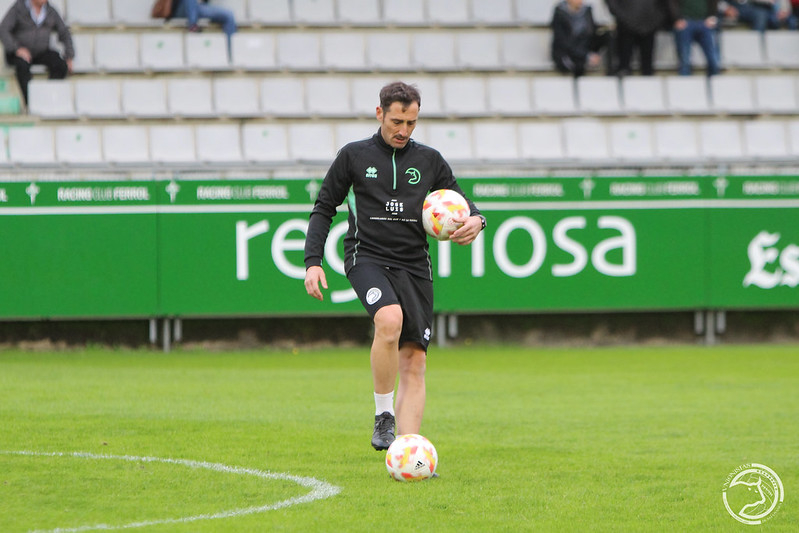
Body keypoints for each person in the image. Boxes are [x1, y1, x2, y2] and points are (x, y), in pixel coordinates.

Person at [303, 81, 486, 451]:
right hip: (367, 257)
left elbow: (466, 204)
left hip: (414, 264)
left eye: (411, 123)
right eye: (397, 122)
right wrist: (313, 262)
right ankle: (383, 414)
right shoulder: (353, 156)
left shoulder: (430, 160)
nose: (404, 130)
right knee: (389, 320)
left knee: (415, 361)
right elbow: (324, 208)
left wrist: (477, 221)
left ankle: (408, 452)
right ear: (380, 114)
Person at [0, 0, 73, 106]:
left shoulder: (50, 11)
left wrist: (69, 55)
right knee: (22, 66)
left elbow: (64, 32)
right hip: (18, 53)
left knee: (60, 65)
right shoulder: (18, 8)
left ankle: (47, 97)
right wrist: (17, 49)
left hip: (40, 52)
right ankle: (31, 103)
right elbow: (3, 29)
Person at [551, 0, 615, 77]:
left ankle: (612, 70)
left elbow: (592, 32)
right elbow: (563, 41)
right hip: (569, 52)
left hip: (585, 46)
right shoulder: (559, 13)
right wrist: (587, 56)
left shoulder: (587, 11)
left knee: (608, 35)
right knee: (578, 65)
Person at [606, 0, 669, 76]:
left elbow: (665, 4)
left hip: (649, 26)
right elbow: (612, 3)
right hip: (625, 27)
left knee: (647, 68)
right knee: (624, 67)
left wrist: (656, 19)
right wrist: (622, 18)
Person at [668, 0, 721, 76]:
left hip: (704, 22)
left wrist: (712, 16)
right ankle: (685, 81)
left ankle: (715, 80)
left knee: (713, 59)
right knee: (685, 60)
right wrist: (676, 18)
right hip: (685, 22)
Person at [169, 0, 237, 53]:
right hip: (180, 9)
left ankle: (231, 53)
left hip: (199, 8)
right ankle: (193, 25)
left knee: (229, 15)